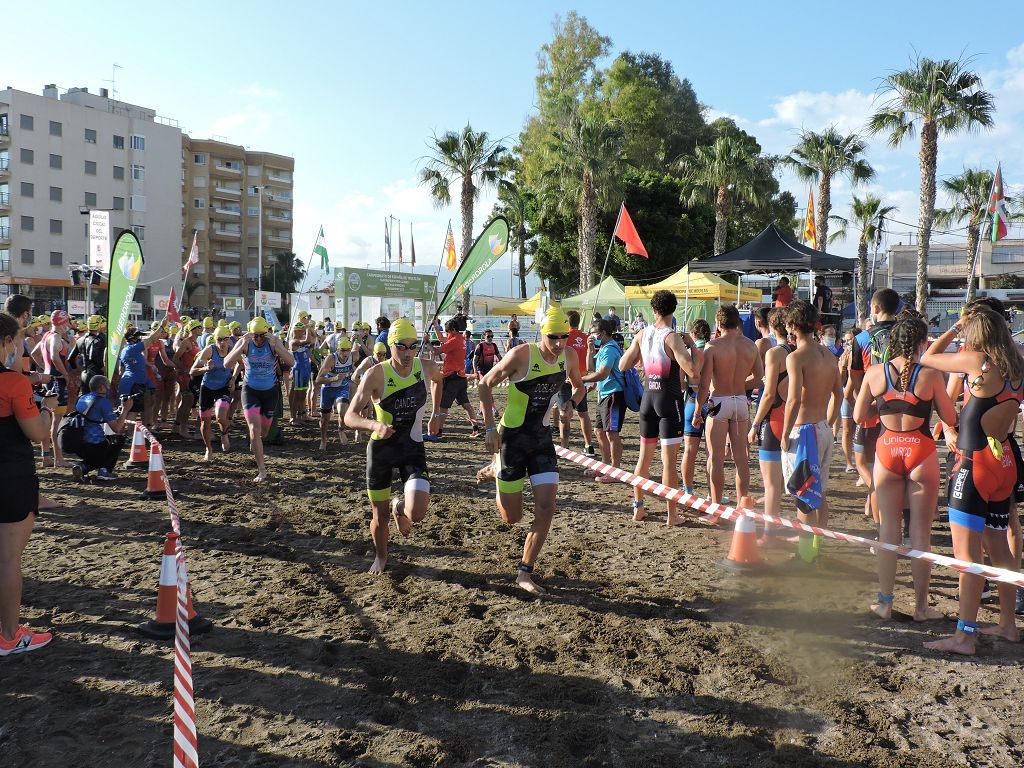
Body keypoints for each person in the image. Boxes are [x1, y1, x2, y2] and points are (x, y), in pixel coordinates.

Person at [921, 308, 1023, 653]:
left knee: (966, 555)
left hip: (974, 464)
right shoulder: (1017, 365)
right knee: (999, 547)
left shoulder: (977, 361)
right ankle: (1008, 624)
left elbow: (928, 357)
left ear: (975, 332)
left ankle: (965, 635)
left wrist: (952, 327)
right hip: (1004, 461)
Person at [854, 311, 954, 621]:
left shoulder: (875, 373)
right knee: (920, 533)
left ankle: (884, 602)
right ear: (922, 343)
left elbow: (859, 417)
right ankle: (922, 608)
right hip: (920, 451)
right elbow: (950, 418)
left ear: (893, 343)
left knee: (888, 531)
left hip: (887, 451)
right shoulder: (930, 374)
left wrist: (885, 401)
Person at [478, 307, 585, 594]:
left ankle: (524, 572)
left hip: (541, 439)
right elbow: (484, 385)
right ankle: (496, 467)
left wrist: (570, 404)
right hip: (511, 439)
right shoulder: (522, 355)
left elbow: (579, 386)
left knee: (547, 508)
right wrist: (489, 429)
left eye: (565, 336)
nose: (559, 343)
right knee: (511, 517)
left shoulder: (569, 356)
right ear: (542, 334)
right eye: (553, 337)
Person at [344, 319, 442, 574]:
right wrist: (374, 426)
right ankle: (382, 557)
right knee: (380, 517)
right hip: (381, 451)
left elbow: (439, 379)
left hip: (412, 447)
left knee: (418, 513)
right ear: (390, 346)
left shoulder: (425, 367)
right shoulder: (377, 374)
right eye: (402, 347)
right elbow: (349, 416)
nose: (409, 353)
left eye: (413, 346)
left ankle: (400, 506)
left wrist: (435, 413)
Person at [619, 290, 700, 524]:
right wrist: (692, 345)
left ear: (653, 310)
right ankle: (672, 515)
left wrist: (642, 361)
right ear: (673, 310)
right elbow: (693, 372)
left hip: (648, 400)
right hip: (668, 401)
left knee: (643, 459)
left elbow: (624, 365)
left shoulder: (642, 334)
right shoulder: (672, 337)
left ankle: (638, 508)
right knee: (668, 463)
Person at [0, 311, 52, 655]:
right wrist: (47, 410)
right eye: (17, 342)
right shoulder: (12, 382)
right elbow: (38, 434)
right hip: (10, 477)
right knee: (6, 560)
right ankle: (8, 635)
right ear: (6, 341)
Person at [780, 301, 843, 564]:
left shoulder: (795, 357)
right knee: (820, 492)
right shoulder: (829, 354)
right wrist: (828, 421)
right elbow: (838, 393)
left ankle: (805, 554)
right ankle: (818, 546)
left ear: (793, 326)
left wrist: (784, 434)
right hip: (822, 428)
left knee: (804, 494)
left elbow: (793, 400)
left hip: (804, 431)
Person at [693, 304, 763, 505]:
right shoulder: (751, 345)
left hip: (719, 402)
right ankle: (743, 505)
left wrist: (698, 410)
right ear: (737, 323)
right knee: (741, 458)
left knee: (716, 458)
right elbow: (759, 378)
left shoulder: (713, 347)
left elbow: (705, 384)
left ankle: (716, 507)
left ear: (719, 323)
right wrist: (739, 384)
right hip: (741, 402)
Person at [850, 288, 901, 525]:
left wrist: (865, 398)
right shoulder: (905, 334)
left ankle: (880, 515)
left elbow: (856, 376)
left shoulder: (861, 338)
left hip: (872, 408)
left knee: (865, 463)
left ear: (875, 308)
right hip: (903, 410)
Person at [223, 317, 295, 484]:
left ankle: (255, 442)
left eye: (262, 335)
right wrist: (240, 346)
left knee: (263, 432)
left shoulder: (272, 343)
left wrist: (278, 346)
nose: (259, 339)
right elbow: (227, 364)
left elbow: (291, 361)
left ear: (267, 333)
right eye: (255, 336)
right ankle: (262, 470)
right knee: (255, 430)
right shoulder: (246, 344)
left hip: (270, 392)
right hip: (251, 391)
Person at [748, 309, 793, 536]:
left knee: (771, 484)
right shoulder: (801, 351)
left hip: (774, 419)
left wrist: (755, 424)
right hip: (796, 420)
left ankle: (769, 531)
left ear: (774, 328)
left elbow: (767, 395)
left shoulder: (776, 353)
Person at [582, 318, 625, 481]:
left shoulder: (610, 349)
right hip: (605, 394)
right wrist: (589, 350)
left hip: (614, 394)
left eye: (594, 333)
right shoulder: (604, 348)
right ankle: (604, 466)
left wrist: (583, 380)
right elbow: (591, 369)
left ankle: (615, 471)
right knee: (599, 431)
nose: (592, 336)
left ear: (603, 333)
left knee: (612, 433)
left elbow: (602, 374)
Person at [427, 317, 483, 440]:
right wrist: (436, 325)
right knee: (466, 404)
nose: (447, 334)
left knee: (443, 406)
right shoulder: (459, 338)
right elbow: (442, 339)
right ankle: (475, 429)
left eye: (448, 331)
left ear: (453, 330)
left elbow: (436, 352)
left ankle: (438, 432)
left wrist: (427, 342)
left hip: (452, 377)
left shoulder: (454, 341)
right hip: (461, 377)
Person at [70, 375, 129, 482]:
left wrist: (115, 413)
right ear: (102, 388)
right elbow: (116, 428)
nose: (109, 389)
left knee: (95, 459)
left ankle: (81, 467)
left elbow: (93, 415)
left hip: (78, 443)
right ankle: (104, 471)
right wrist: (125, 410)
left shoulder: (82, 398)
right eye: (108, 386)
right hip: (94, 445)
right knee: (119, 439)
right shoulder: (103, 402)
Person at [34, 310, 74, 468]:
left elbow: (34, 353)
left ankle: (47, 456)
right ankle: (59, 459)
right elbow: (54, 357)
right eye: (67, 322)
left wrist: (44, 370)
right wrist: (65, 375)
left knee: (48, 418)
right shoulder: (56, 337)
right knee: (56, 421)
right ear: (63, 322)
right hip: (57, 380)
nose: (68, 325)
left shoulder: (46, 335)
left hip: (48, 380)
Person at [190, 326, 235, 461]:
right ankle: (208, 449)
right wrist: (206, 368)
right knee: (205, 421)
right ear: (215, 340)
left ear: (229, 340)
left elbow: (241, 364)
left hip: (223, 387)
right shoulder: (209, 350)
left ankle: (224, 433)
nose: (222, 343)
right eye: (219, 340)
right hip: (207, 387)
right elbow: (192, 371)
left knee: (221, 417)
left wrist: (233, 378)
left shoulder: (232, 351)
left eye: (225, 340)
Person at [557, 310, 596, 455]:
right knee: (583, 413)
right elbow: (590, 360)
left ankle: (564, 447)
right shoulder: (586, 337)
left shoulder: (564, 337)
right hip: (581, 379)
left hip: (567, 379)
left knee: (564, 412)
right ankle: (588, 445)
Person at [680, 319, 710, 494]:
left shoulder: (689, 353)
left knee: (689, 451)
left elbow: (681, 384)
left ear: (692, 334)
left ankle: (687, 490)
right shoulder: (712, 350)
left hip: (692, 399)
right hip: (711, 401)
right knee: (711, 454)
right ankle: (712, 494)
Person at [315, 334, 355, 449]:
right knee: (324, 420)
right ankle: (323, 439)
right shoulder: (331, 359)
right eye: (342, 350)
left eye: (348, 350)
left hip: (342, 388)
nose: (345, 353)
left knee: (343, 412)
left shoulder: (353, 356)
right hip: (327, 389)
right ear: (337, 350)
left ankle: (341, 430)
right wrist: (334, 378)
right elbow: (318, 380)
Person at [172, 320, 203, 440]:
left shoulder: (194, 342)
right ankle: (183, 429)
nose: (201, 329)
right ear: (194, 329)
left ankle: (177, 426)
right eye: (199, 328)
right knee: (188, 401)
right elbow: (175, 358)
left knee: (186, 402)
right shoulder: (187, 342)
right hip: (185, 376)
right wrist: (184, 369)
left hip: (189, 375)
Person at [838, 328, 857, 474]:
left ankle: (860, 460)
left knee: (861, 430)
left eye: (850, 339)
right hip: (847, 394)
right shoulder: (844, 356)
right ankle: (849, 462)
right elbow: (840, 381)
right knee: (847, 429)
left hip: (860, 394)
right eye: (845, 340)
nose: (847, 343)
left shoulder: (862, 353)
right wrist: (843, 367)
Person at [288, 321, 313, 425]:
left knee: (302, 395)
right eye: (302, 330)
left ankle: (302, 415)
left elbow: (312, 339)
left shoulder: (301, 339)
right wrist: (307, 328)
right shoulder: (293, 341)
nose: (303, 332)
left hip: (306, 369)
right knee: (297, 396)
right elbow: (308, 341)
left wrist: (310, 329)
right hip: (298, 370)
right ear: (297, 331)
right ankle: (294, 417)